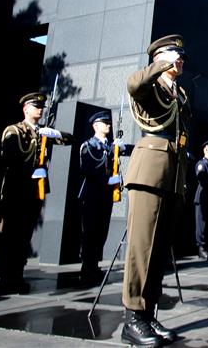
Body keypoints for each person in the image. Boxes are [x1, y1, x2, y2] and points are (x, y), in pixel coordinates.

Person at [122, 34, 191, 347]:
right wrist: (159, 64)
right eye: (173, 54)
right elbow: (133, 85)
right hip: (149, 169)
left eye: (180, 55)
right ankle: (132, 318)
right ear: (159, 58)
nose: (179, 60)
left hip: (172, 173)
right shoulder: (150, 86)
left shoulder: (180, 93)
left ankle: (148, 312)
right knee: (142, 247)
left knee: (159, 249)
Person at [0, 92, 71, 293]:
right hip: (16, 190)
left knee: (25, 233)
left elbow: (69, 139)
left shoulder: (43, 132)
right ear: (25, 109)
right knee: (10, 233)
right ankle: (6, 276)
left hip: (34, 192)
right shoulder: (14, 131)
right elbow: (10, 156)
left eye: (41, 106)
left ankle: (17, 275)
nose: (40, 109)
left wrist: (53, 134)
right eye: (35, 106)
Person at [77, 111, 130, 285]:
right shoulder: (89, 145)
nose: (108, 125)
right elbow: (89, 169)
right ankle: (87, 267)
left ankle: (95, 265)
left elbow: (128, 149)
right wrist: (109, 178)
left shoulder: (109, 145)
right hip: (91, 194)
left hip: (105, 195)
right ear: (95, 126)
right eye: (104, 122)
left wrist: (121, 148)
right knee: (90, 232)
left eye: (109, 122)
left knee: (101, 232)